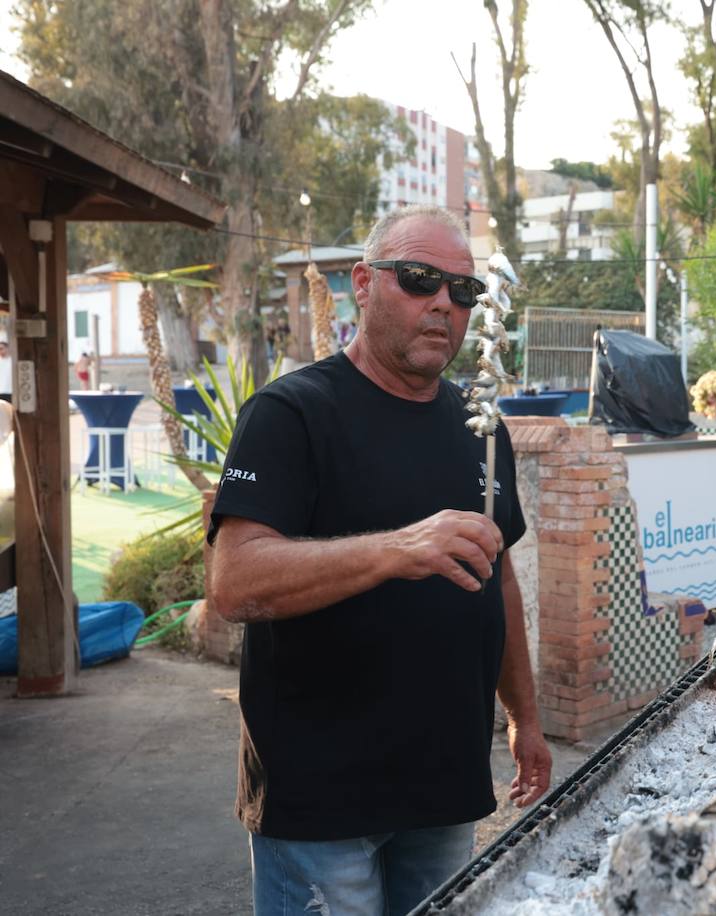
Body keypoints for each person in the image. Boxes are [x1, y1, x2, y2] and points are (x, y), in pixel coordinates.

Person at [208, 205, 552, 915]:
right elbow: (234, 582)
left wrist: (525, 718)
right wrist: (399, 549)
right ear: (363, 283)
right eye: (420, 279)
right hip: (320, 805)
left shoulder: (477, 427)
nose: (443, 305)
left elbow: (500, 579)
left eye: (464, 292)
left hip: (445, 791)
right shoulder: (291, 414)